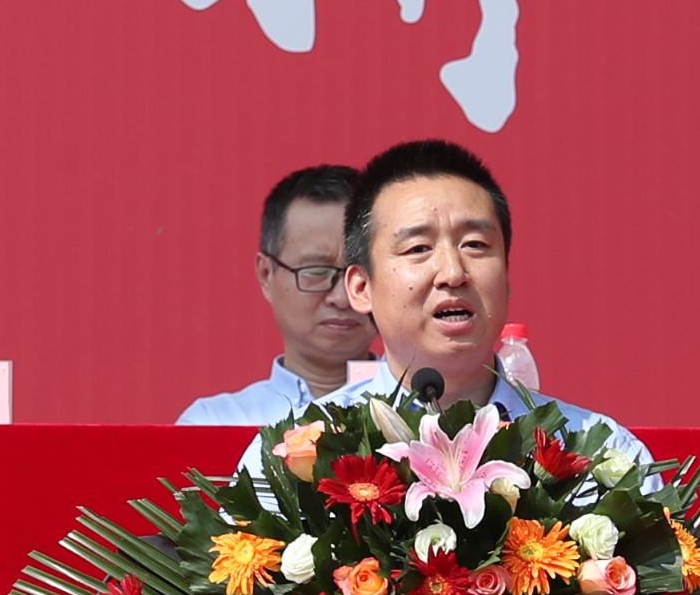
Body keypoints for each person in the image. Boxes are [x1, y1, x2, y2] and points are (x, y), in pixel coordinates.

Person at [240, 139, 652, 476]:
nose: (453, 272)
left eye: (475, 245)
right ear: (361, 287)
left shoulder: (600, 454)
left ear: (507, 276)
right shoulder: (297, 454)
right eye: (418, 248)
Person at [176, 165, 376, 425]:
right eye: (316, 271)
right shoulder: (214, 423)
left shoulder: (421, 416)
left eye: (359, 273)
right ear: (266, 274)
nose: (342, 298)